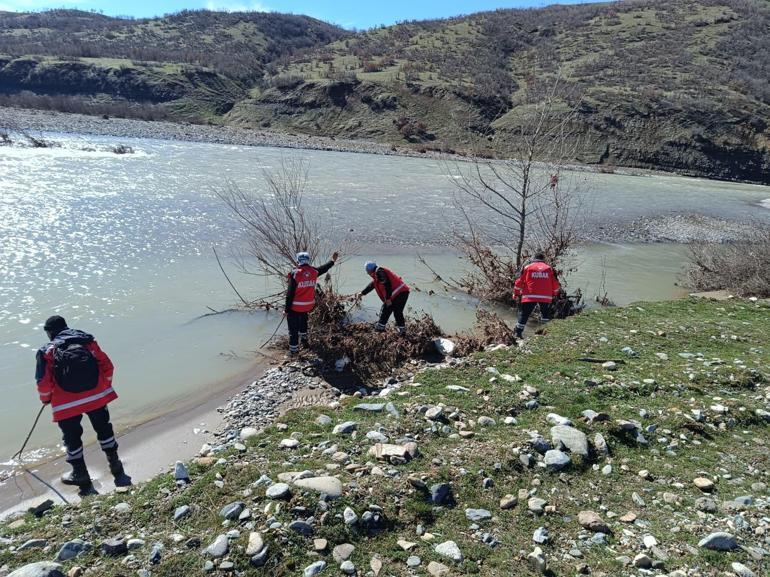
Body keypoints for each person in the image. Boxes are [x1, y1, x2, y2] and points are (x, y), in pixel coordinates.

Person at [35, 315, 130, 489]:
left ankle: (80, 474)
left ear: (49, 333)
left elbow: (43, 383)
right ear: (66, 326)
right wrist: (103, 385)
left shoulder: (46, 351)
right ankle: (115, 465)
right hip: (96, 396)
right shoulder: (86, 340)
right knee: (104, 428)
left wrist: (46, 399)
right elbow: (108, 365)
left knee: (72, 438)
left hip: (66, 405)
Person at [285, 251, 338, 355]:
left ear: (298, 261)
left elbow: (289, 294)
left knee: (293, 329)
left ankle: (294, 350)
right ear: (308, 260)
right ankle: (304, 342)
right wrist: (332, 261)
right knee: (303, 321)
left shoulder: (295, 273)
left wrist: (286, 309)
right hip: (308, 306)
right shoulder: (314, 271)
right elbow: (324, 268)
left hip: (295, 307)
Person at [513, 252, 560, 339]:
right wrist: (554, 293)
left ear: (533, 259)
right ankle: (544, 333)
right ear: (544, 259)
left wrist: (516, 293)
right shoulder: (550, 269)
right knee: (545, 315)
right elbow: (556, 284)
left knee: (524, 314)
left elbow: (519, 282)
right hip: (546, 297)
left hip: (529, 296)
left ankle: (518, 334)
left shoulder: (527, 267)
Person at [359, 261, 410, 335]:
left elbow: (387, 284)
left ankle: (386, 329)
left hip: (400, 293)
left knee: (394, 311)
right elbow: (372, 285)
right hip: (398, 293)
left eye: (367, 271)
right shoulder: (377, 274)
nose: (367, 273)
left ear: (369, 270)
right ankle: (383, 328)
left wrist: (388, 299)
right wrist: (362, 293)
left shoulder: (379, 272)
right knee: (389, 310)